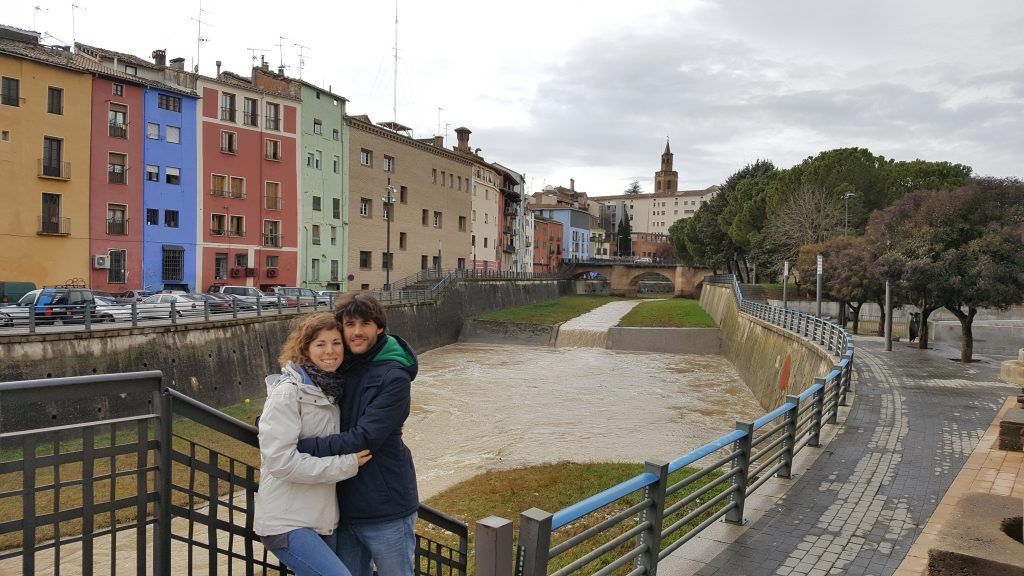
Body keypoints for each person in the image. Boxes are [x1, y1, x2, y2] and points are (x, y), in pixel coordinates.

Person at [297, 293, 419, 576]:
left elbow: (364, 438)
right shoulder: (337, 366)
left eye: (365, 324)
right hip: (342, 506)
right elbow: (302, 399)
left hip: (386, 507)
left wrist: (299, 446)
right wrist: (273, 423)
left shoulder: (394, 377)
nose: (357, 332)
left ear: (380, 328)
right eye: (350, 324)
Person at [254, 312, 372, 576]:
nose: (330, 351)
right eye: (320, 344)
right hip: (286, 522)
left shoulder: (331, 391)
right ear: (305, 348)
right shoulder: (289, 392)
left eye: (336, 343)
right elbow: (281, 462)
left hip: (321, 518)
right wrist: (346, 465)